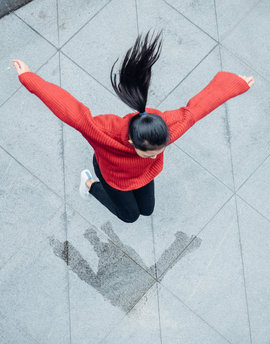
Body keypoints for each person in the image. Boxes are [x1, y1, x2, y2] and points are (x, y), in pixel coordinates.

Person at [12, 30, 255, 223]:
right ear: (131, 142)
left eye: (160, 149)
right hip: (113, 176)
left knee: (147, 211)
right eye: (150, 152)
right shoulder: (102, 133)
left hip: (143, 176)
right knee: (129, 216)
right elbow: (68, 108)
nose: (157, 154)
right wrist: (29, 78)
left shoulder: (165, 133)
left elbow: (196, 111)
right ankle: (89, 184)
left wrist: (235, 84)